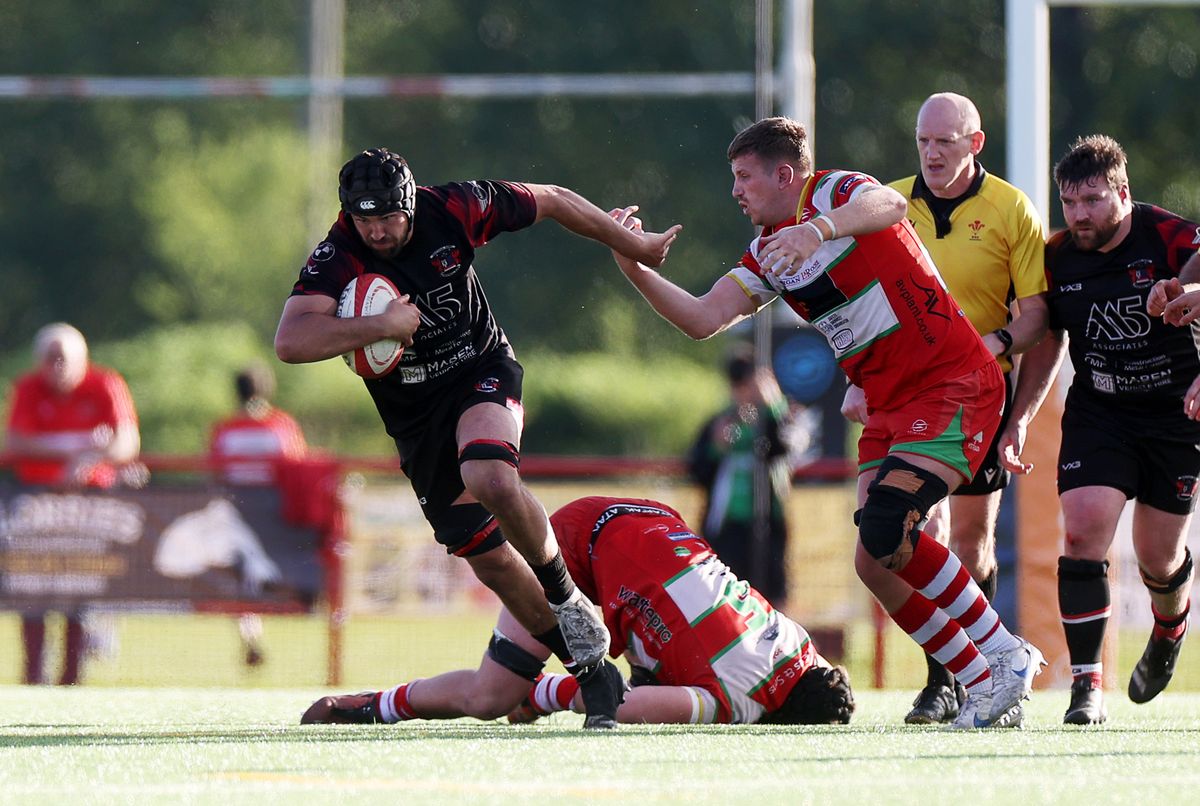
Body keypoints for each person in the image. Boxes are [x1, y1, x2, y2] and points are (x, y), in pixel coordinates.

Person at [606, 116, 1043, 729]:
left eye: (744, 177)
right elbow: (704, 318)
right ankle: (981, 680)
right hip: (888, 403)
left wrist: (819, 230)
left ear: (785, 174)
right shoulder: (766, 250)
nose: (736, 191)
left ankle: (1005, 654)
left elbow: (891, 203)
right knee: (874, 559)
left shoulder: (832, 193)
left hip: (952, 381)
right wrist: (634, 269)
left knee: (891, 525)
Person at [275, 147, 682, 728]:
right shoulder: (339, 253)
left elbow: (552, 199)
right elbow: (291, 342)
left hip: (480, 371)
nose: (379, 231)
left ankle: (568, 598)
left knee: (489, 475)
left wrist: (633, 245)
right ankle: (590, 666)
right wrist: (381, 326)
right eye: (365, 221)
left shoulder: (455, 208)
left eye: (388, 217)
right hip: (415, 421)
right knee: (489, 562)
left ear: (411, 202)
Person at [301, 495, 855, 727]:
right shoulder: (740, 703)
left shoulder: (797, 644)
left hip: (648, 522)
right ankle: (366, 706)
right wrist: (539, 698)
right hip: (582, 544)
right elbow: (623, 702)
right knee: (492, 696)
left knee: (653, 660)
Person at [999, 134, 1200, 725]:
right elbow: (1046, 344)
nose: (1080, 215)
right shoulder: (1058, 256)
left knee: (1157, 557)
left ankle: (1168, 627)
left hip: (1173, 419)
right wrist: (1021, 420)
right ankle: (1087, 686)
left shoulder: (1168, 236)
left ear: (1123, 192)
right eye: (1070, 202)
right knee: (1083, 531)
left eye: (1092, 200)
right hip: (1100, 414)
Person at [861, 92, 1047, 724]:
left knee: (971, 538)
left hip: (977, 393)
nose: (932, 153)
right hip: (904, 395)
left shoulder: (1009, 208)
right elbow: (858, 304)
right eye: (922, 141)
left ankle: (985, 675)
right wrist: (856, 374)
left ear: (976, 142)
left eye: (945, 141)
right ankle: (947, 676)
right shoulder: (886, 203)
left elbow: (1038, 317)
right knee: (896, 535)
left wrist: (986, 346)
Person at [4, 322, 142, 685]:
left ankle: (72, 681)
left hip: (89, 506)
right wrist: (76, 450)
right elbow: (15, 441)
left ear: (82, 358)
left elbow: (127, 443)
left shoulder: (105, 384)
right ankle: (33, 678)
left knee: (80, 589)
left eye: (63, 358)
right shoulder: (28, 388)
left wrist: (89, 460)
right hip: (36, 502)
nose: (57, 366)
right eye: (49, 359)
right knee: (32, 588)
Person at [208, 361, 310, 666]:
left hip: (238, 510)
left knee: (240, 580)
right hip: (275, 512)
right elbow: (298, 466)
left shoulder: (225, 428)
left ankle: (250, 632)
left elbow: (213, 473)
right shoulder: (281, 424)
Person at [687, 345, 794, 604]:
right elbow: (697, 470)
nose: (745, 393)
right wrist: (716, 448)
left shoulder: (774, 419)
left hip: (768, 523)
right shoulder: (720, 422)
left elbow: (786, 446)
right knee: (724, 596)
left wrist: (774, 406)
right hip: (727, 526)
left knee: (770, 597)